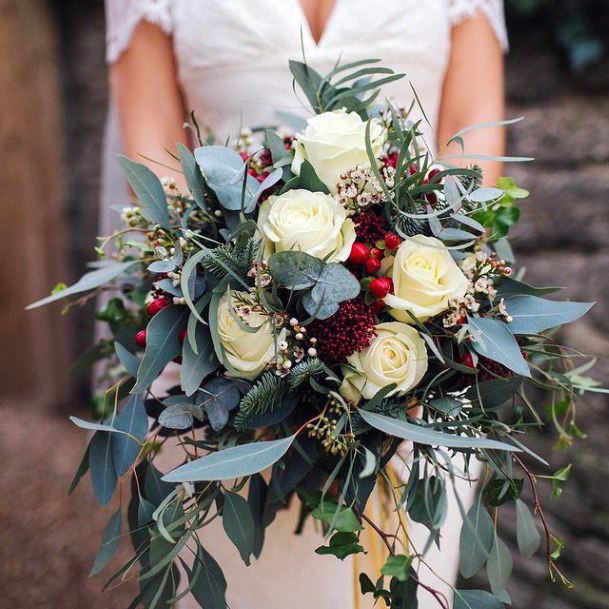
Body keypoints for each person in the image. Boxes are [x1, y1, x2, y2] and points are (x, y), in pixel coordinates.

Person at [103, 2, 508, 607]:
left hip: (415, 366)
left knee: (409, 580)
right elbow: (157, 162)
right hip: (219, 369)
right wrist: (258, 321)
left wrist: (410, 321)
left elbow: (474, 141)